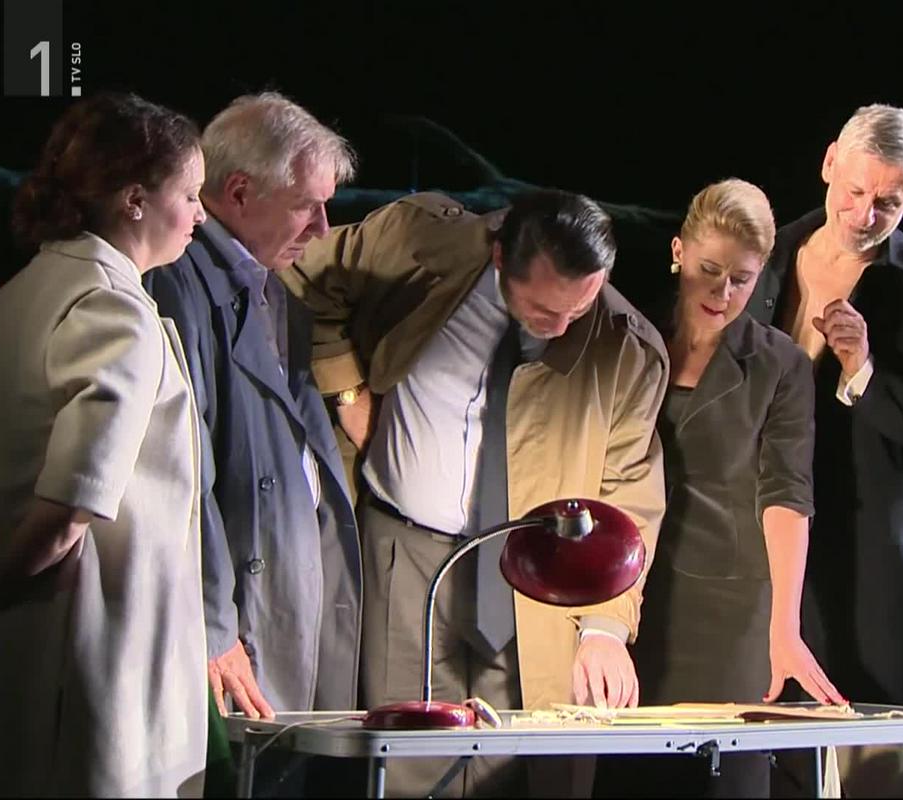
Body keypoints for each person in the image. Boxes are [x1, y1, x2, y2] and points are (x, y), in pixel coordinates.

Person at [282, 187, 669, 796]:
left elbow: (629, 493)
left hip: (538, 579)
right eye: (543, 309)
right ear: (499, 258)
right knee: (408, 759)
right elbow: (308, 274)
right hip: (405, 554)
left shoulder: (627, 349)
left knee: (513, 768)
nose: (560, 327)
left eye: (579, 308)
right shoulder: (418, 246)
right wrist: (348, 391)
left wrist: (604, 627)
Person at [0, 92, 209, 796]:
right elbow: (72, 504)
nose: (201, 215)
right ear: (135, 200)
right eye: (191, 195)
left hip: (11, 643)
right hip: (91, 649)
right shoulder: (113, 309)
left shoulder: (12, 299)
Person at [746, 104, 903, 797]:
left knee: (881, 772)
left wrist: (865, 373)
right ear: (828, 163)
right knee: (779, 764)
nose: (863, 214)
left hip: (879, 572)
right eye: (853, 191)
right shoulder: (766, 257)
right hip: (773, 555)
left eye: (887, 203)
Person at [142, 92, 363, 793]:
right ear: (238, 192)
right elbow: (184, 471)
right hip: (236, 623)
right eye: (307, 207)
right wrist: (212, 623)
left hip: (285, 608)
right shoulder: (179, 285)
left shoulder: (278, 295)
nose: (322, 228)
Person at [612, 179, 846, 798]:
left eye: (741, 279)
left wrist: (784, 626)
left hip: (731, 607)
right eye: (709, 271)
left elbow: (787, 493)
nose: (722, 294)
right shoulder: (629, 334)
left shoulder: (780, 363)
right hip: (630, 596)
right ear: (678, 252)